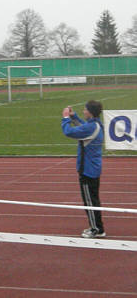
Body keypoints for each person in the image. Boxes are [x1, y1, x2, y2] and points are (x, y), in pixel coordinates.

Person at [61, 100, 105, 239]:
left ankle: (96, 229)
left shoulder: (91, 128)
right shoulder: (96, 124)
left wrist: (66, 118)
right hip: (93, 168)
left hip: (87, 170)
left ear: (90, 112)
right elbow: (84, 126)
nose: (83, 111)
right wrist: (74, 117)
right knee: (94, 200)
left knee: (89, 202)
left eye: (85, 110)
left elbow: (68, 132)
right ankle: (99, 227)